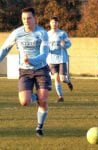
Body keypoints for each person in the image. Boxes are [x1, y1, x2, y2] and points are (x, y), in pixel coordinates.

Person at [0, 7, 51, 137]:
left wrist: (31, 60)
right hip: (25, 71)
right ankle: (36, 97)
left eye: (29, 18)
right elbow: (4, 49)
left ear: (35, 19)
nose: (26, 21)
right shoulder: (17, 33)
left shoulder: (42, 33)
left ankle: (39, 127)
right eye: (23, 18)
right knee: (24, 102)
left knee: (43, 99)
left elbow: (44, 54)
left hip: (41, 69)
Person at [47, 16, 73, 103]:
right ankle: (60, 96)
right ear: (50, 23)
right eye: (52, 22)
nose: (54, 24)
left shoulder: (62, 34)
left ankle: (68, 81)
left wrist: (64, 45)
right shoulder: (46, 34)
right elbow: (44, 45)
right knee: (56, 78)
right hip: (51, 59)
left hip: (61, 59)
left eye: (55, 22)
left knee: (62, 79)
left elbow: (69, 43)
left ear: (58, 24)